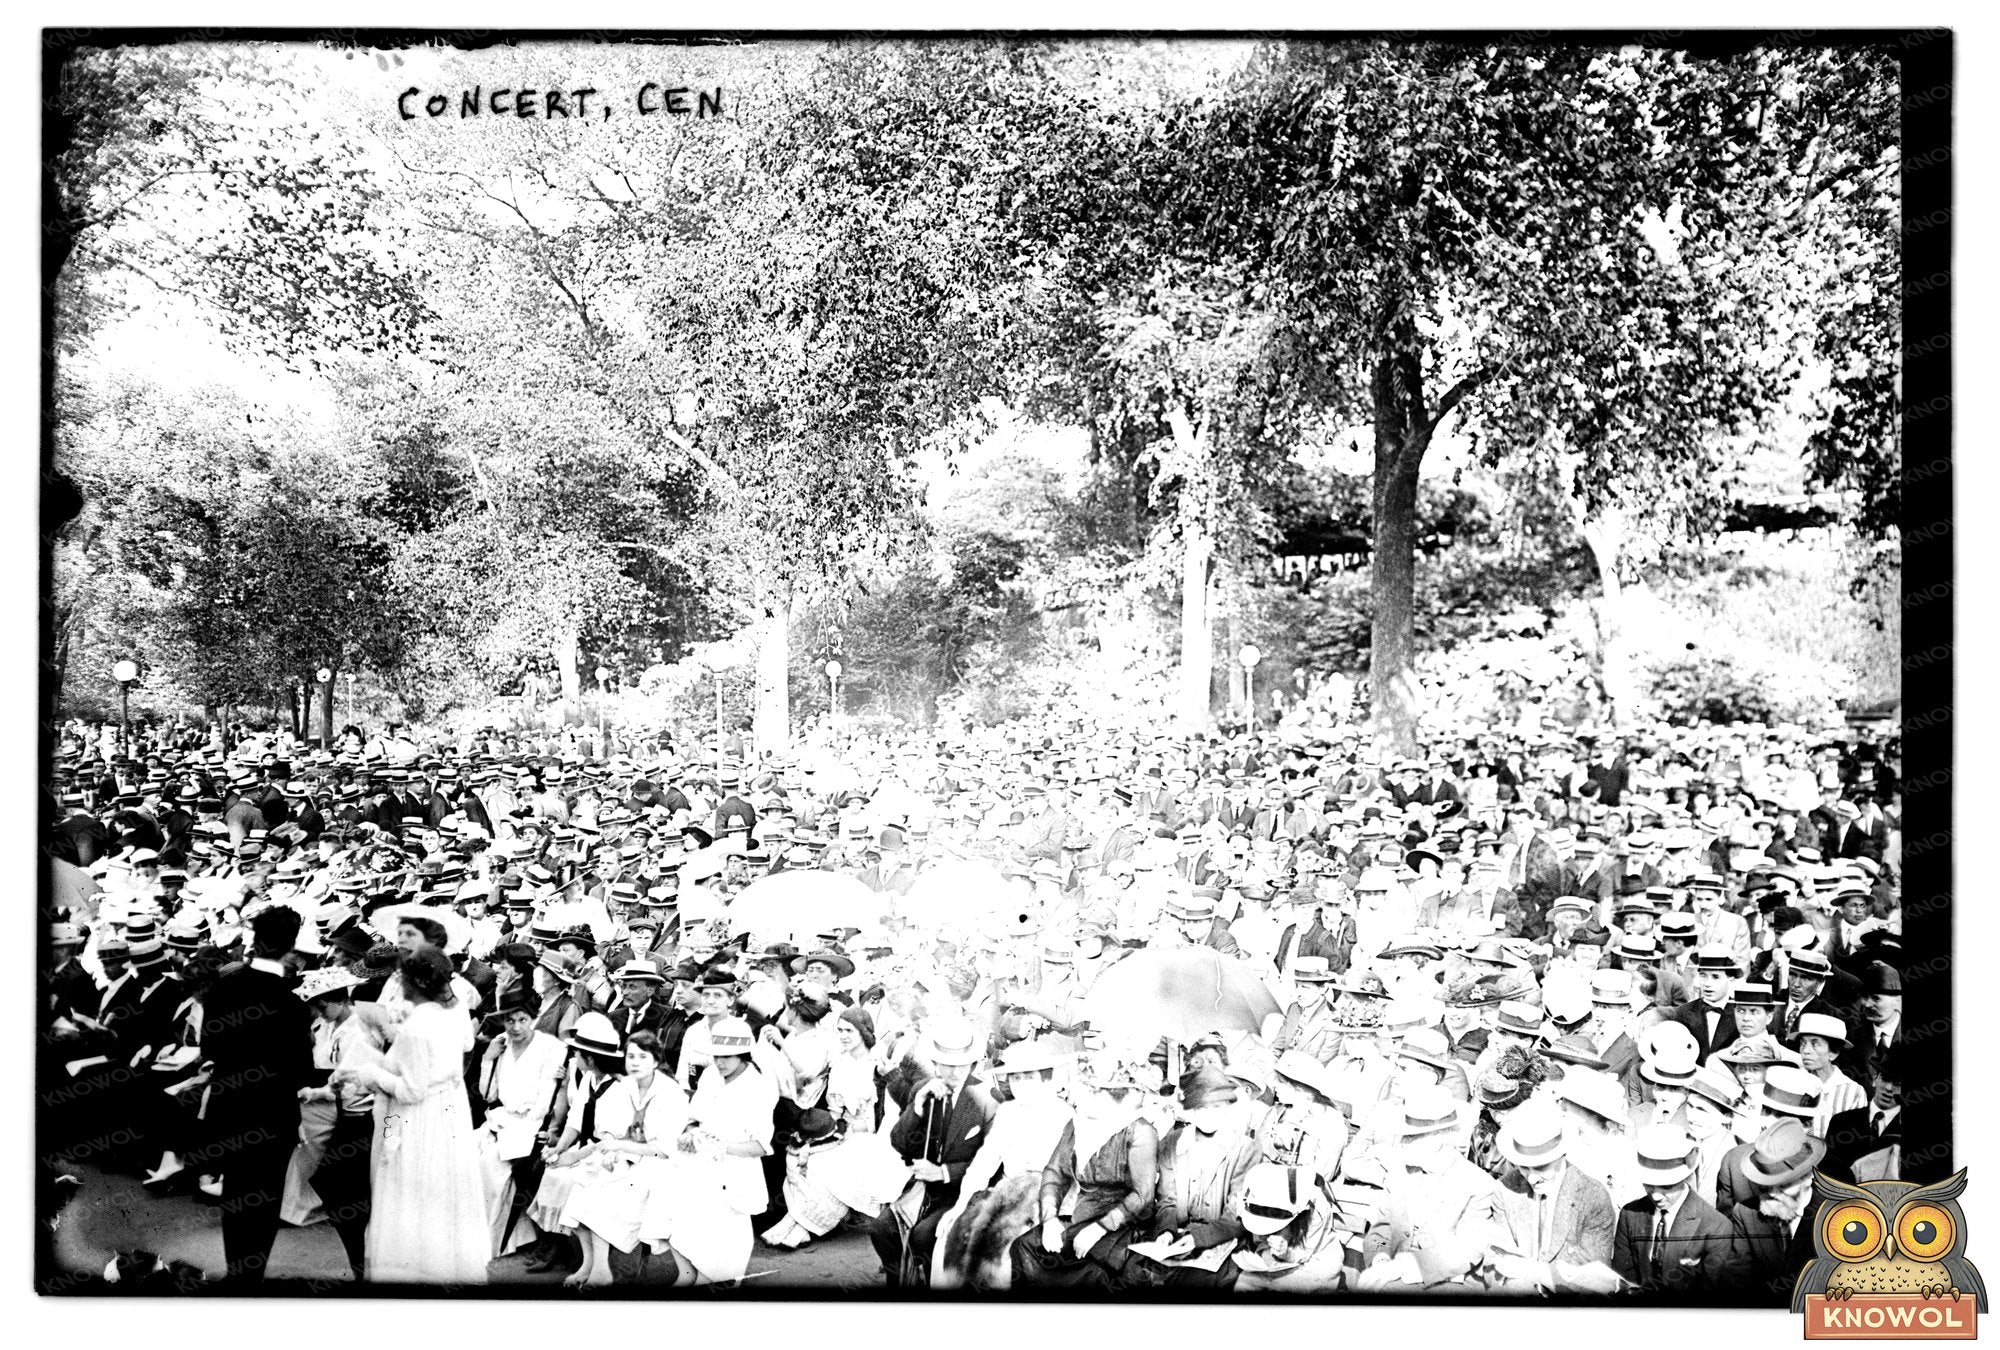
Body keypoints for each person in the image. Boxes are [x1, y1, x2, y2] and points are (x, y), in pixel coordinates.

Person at [331, 947, 491, 1285]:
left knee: (410, 1194)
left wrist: (367, 1074)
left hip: (415, 1121)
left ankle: (415, 1272)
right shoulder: (447, 1014)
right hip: (445, 1116)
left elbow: (411, 1090)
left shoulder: (419, 1027)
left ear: (413, 982)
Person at [201, 905, 316, 1285]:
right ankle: (251, 1276)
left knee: (236, 1192)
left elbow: (210, 1048)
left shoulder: (223, 988)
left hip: (230, 1104)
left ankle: (236, 1272)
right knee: (264, 1198)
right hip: (273, 1113)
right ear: (290, 948)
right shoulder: (291, 1004)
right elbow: (302, 1070)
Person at [647, 1015, 777, 1285]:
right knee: (663, 1187)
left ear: (744, 1056)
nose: (720, 1063)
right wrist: (689, 1132)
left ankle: (712, 1276)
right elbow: (694, 1117)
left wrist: (722, 1148)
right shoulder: (710, 1075)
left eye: (727, 1057)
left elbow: (761, 1146)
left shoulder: (758, 1087)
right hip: (700, 1158)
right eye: (716, 1056)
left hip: (735, 1167)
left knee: (716, 1219)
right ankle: (686, 1271)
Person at [1011, 1058, 1161, 1290]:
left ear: (1108, 1094)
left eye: (1088, 1090)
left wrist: (1100, 1228)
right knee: (1024, 1246)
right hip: (1082, 1216)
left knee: (1094, 1270)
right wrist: (1050, 1219)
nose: (1076, 1097)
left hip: (1125, 1224)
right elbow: (1053, 1173)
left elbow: (1143, 1195)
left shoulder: (1140, 1131)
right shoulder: (1077, 1124)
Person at [869, 1017, 997, 1286]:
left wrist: (944, 1172)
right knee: (881, 1229)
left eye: (961, 1066)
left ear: (972, 1064)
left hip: (965, 1192)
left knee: (924, 1235)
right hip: (923, 1191)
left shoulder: (987, 1099)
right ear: (935, 1063)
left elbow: (994, 1164)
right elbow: (901, 1144)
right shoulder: (923, 1089)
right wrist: (916, 1106)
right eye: (946, 1066)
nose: (954, 1073)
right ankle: (900, 1283)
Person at [1488, 1101, 1617, 1292]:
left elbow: (1594, 1278)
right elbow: (1500, 1258)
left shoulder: (1593, 1197)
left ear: (1562, 1155)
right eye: (1523, 1167)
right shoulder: (1506, 1188)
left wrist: (1538, 1272)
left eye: (1541, 1167)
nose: (1531, 1178)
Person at [478, 986, 568, 1258]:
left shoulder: (551, 1048)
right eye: (509, 1020)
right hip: (502, 1120)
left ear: (532, 1018)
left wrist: (518, 1127)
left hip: (532, 1125)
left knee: (490, 1164)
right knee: (470, 1156)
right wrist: (487, 1059)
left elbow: (546, 1101)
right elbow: (488, 1095)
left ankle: (507, 1240)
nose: (516, 1027)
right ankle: (478, 1236)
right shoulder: (500, 1045)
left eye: (522, 1020)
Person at [1610, 1123, 1744, 1293]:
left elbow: (1711, 1296)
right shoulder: (1630, 1214)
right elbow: (1623, 1279)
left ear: (1684, 1178)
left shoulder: (1716, 1227)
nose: (1656, 1196)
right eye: (1649, 1185)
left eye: (1666, 1187)